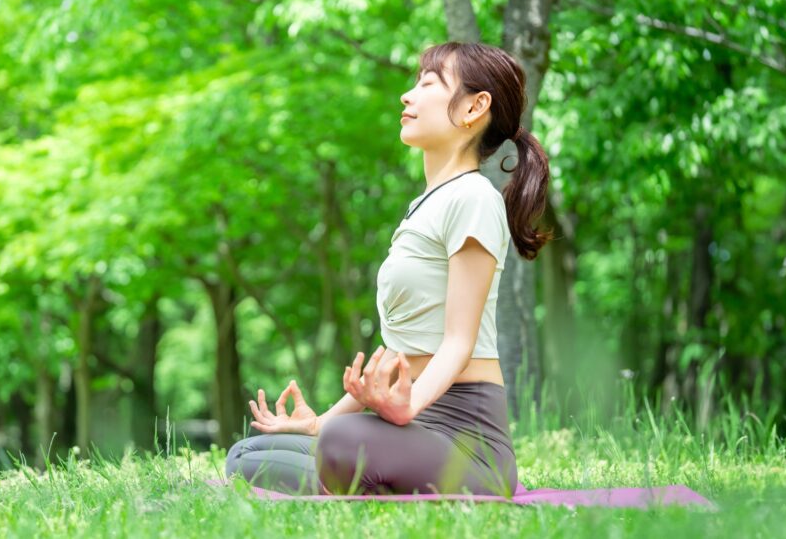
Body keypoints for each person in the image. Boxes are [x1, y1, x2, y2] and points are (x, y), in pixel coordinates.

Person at [225, 41, 553, 496]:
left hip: (467, 443)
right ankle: (365, 478)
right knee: (247, 454)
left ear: (476, 107)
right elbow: (400, 349)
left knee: (341, 441)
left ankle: (364, 477)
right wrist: (317, 422)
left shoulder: (474, 198)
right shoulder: (424, 205)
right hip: (413, 426)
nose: (408, 96)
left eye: (428, 84)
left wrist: (405, 408)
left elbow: (459, 343)